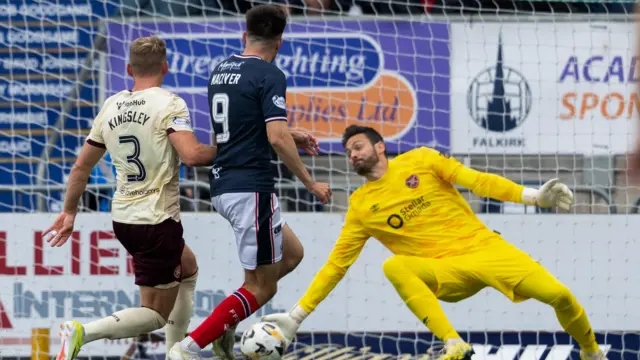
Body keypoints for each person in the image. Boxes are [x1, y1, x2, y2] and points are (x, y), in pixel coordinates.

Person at [262, 125, 607, 360]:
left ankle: (591, 351)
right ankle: (454, 343)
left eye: (358, 146)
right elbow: (336, 265)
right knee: (394, 265)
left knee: (559, 296)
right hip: (444, 272)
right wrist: (297, 315)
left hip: (485, 249)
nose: (351, 154)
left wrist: (532, 197)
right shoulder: (361, 207)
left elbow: (478, 181)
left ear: (379, 146)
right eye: (347, 151)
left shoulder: (422, 160)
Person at [168, 4, 331, 360]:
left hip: (224, 184)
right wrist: (310, 182)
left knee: (292, 254)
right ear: (281, 42)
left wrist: (293, 133)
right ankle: (188, 348)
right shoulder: (269, 73)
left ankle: (223, 326)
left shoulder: (221, 70)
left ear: (245, 35)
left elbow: (247, 127)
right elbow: (275, 138)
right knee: (262, 286)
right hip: (250, 188)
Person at [43, 35, 218, 360]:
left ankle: (174, 354)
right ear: (165, 67)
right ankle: (82, 332)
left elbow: (81, 166)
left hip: (124, 216)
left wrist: (69, 212)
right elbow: (193, 155)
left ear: (128, 69)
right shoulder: (170, 103)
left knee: (188, 266)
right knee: (155, 314)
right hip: (157, 219)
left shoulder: (111, 105)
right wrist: (234, 147)